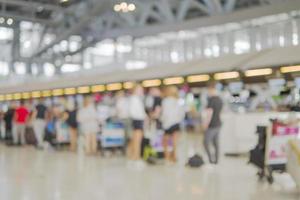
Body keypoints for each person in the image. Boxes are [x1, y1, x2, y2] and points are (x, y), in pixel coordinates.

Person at [161, 86, 184, 163]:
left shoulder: (165, 101)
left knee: (165, 142)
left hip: (167, 124)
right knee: (174, 143)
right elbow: (181, 113)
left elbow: (165, 114)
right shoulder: (178, 101)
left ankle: (167, 157)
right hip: (176, 123)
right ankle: (174, 157)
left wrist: (162, 120)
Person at [203, 82, 223, 164]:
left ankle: (211, 159)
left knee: (206, 142)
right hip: (218, 123)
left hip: (212, 125)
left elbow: (209, 113)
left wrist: (206, 123)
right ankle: (216, 160)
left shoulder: (211, 100)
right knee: (216, 143)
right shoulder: (220, 100)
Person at [128, 85, 147, 167]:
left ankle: (134, 157)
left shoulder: (136, 99)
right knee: (137, 141)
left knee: (135, 140)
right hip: (138, 121)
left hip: (137, 121)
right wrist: (144, 117)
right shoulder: (134, 99)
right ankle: (136, 157)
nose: (141, 91)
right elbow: (134, 112)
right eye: (140, 89)